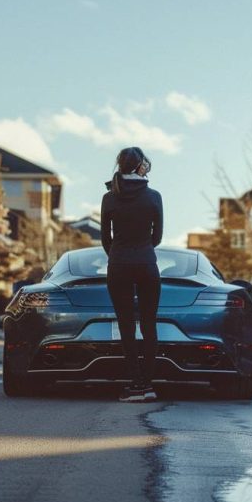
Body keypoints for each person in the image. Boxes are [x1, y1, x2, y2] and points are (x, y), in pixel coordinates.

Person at [100, 146, 164, 403]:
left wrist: (119, 253)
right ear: (141, 166)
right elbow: (157, 237)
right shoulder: (154, 196)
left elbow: (106, 238)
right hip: (147, 264)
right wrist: (142, 249)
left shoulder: (109, 198)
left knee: (126, 326)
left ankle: (134, 383)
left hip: (119, 265)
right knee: (149, 324)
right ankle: (147, 385)